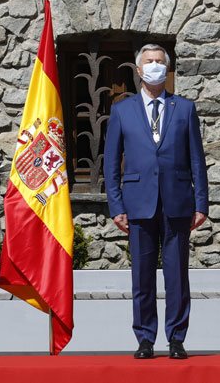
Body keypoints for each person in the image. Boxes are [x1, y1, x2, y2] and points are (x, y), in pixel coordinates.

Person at [104, 44, 208, 360]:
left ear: (167, 69)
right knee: (143, 276)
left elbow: (196, 159)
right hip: (138, 202)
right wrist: (116, 206)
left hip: (177, 202)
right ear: (138, 70)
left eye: (160, 62)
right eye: (149, 62)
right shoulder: (123, 110)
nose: (154, 66)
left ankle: (176, 338)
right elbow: (110, 163)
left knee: (177, 276)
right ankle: (145, 338)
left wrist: (201, 203)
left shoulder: (184, 108)